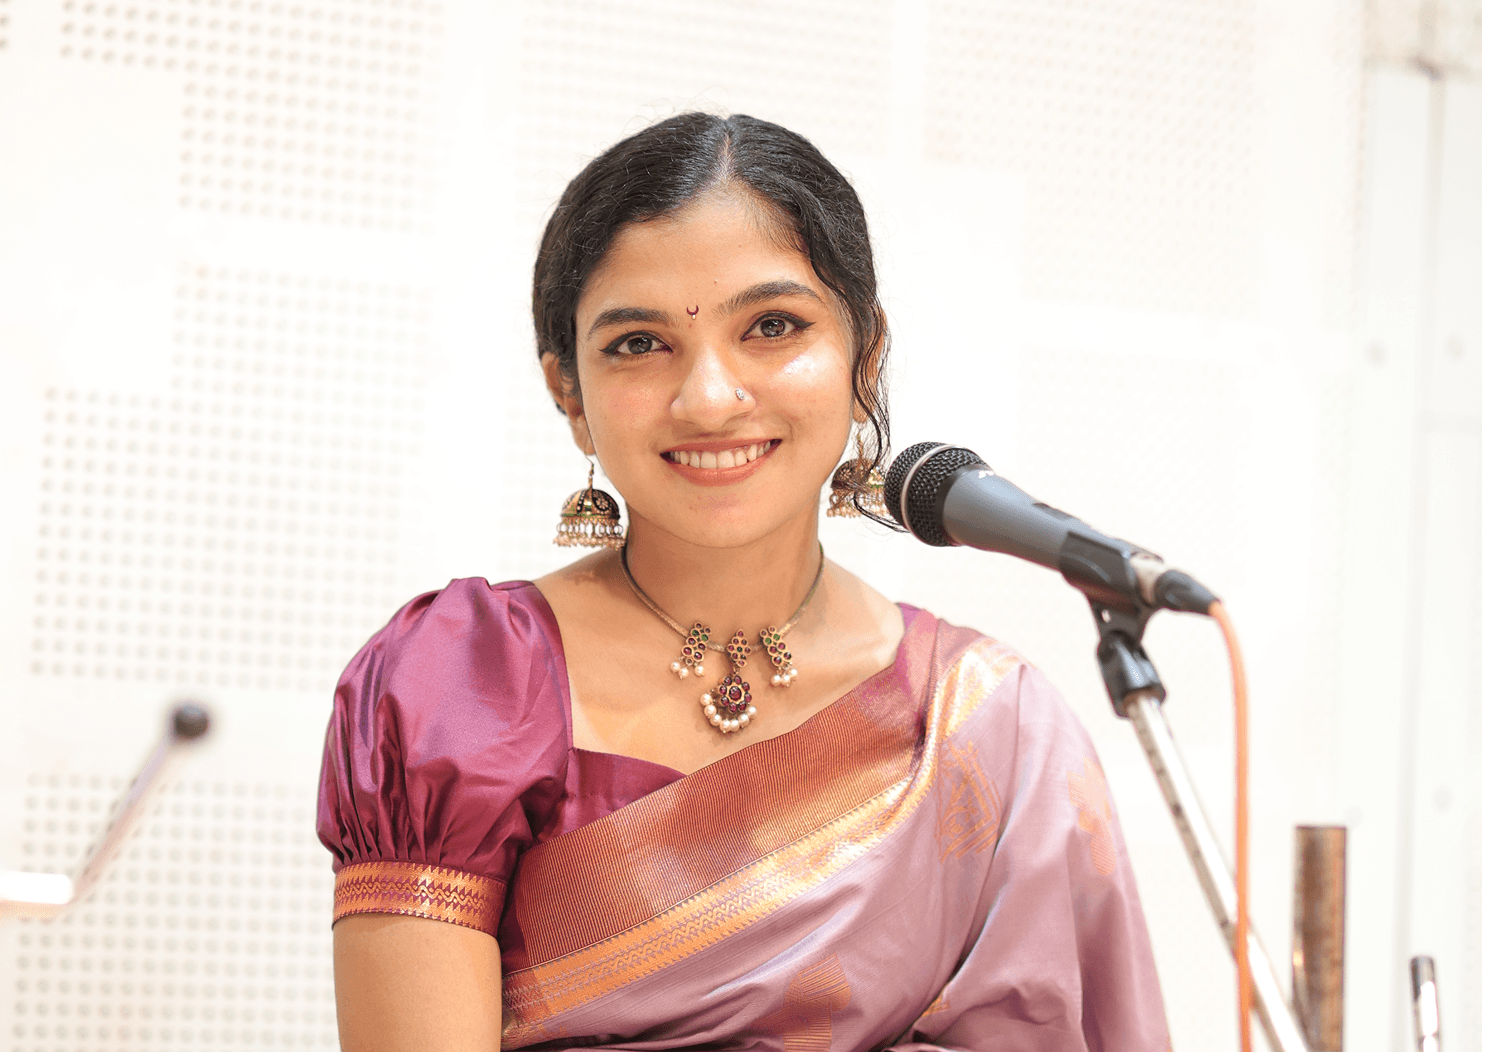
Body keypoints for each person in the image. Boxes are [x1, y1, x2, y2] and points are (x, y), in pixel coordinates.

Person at [317, 112, 1170, 1052]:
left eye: (772, 326)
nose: (710, 397)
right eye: (639, 344)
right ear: (569, 392)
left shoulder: (986, 732)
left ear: (865, 358)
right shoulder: (462, 686)